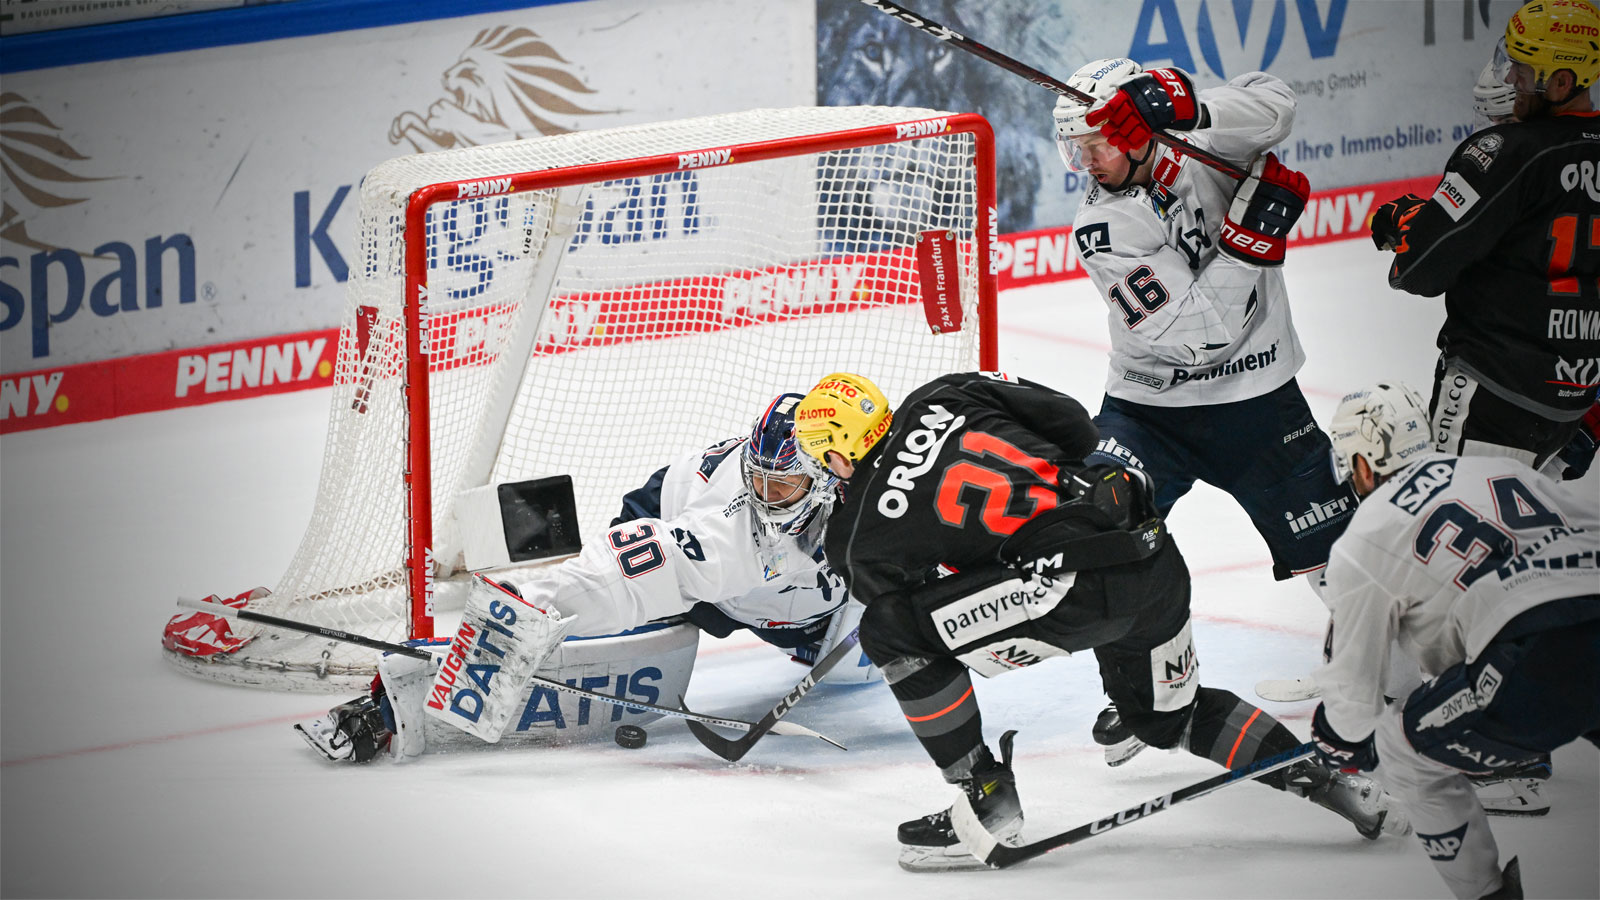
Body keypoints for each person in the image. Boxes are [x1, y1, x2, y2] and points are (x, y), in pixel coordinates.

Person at [791, 371, 1407, 872]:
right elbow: (1068, 416)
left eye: (824, 459)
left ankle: (985, 791)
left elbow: (906, 609)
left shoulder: (854, 535)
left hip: (1062, 594)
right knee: (1169, 715)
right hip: (1148, 549)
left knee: (890, 633)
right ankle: (1330, 780)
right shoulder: (946, 391)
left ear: (842, 452)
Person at [1052, 58, 1358, 758]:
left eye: (1097, 142)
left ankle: (1392, 676)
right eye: (1076, 149)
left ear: (1138, 132)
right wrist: (1249, 246)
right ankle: (1142, 694)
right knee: (1104, 527)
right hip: (1149, 412)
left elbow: (1276, 105)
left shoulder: (1197, 142)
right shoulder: (1102, 227)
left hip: (1259, 404)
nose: (1088, 162)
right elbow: (1199, 340)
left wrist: (1187, 107)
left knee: (1337, 558)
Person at [298, 393, 874, 762]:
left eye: (781, 488)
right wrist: (524, 606)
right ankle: (396, 702)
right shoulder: (732, 535)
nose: (764, 500)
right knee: (640, 640)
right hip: (674, 534)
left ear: (832, 477)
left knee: (858, 669)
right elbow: (612, 580)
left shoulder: (883, 486)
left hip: (805, 608)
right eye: (760, 480)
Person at [1309, 381, 1600, 900]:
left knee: (1404, 750)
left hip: (1536, 650)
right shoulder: (1501, 469)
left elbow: (1354, 705)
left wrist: (1335, 738)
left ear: (1363, 460)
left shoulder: (1366, 533)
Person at [1370, 0, 1600, 475]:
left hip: (1491, 395)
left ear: (1561, 82)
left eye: (1522, 69)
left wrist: (1413, 219)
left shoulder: (1507, 152)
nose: (1510, 78)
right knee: (1531, 541)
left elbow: (1421, 267)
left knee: (1455, 534)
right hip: (1573, 406)